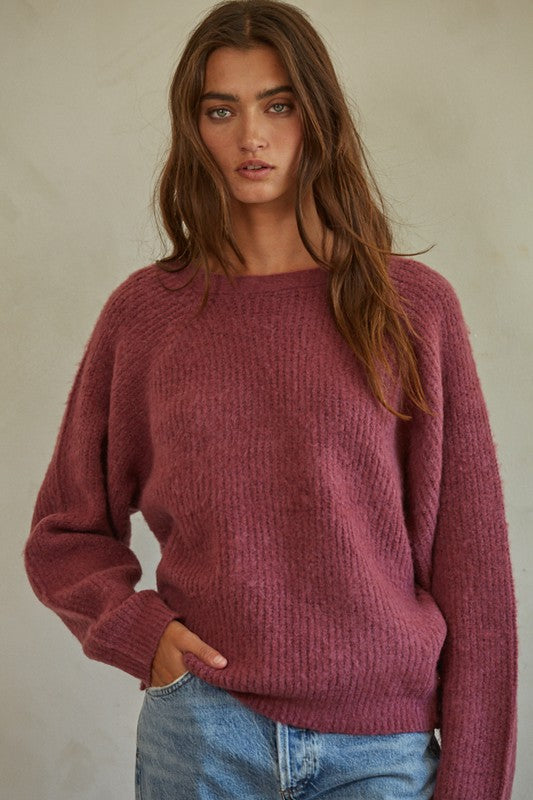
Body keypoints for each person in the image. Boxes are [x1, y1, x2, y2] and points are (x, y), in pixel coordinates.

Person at [23, 1, 518, 798]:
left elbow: (474, 577)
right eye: (221, 110)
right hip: (202, 733)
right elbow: (65, 533)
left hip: (377, 747)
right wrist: (143, 637)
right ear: (193, 129)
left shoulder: (411, 308)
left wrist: (473, 785)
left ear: (317, 117)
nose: (250, 135)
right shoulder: (146, 315)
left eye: (277, 105)